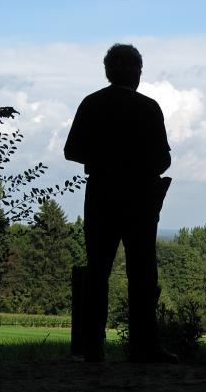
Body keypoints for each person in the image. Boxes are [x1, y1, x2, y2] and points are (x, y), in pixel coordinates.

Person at [64, 43, 177, 363]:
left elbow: (71, 151)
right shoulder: (149, 108)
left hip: (100, 194)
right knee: (142, 272)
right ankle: (144, 346)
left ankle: (92, 347)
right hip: (141, 198)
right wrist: (139, 168)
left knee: (98, 271)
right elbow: (163, 159)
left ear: (108, 71)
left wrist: (105, 160)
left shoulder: (91, 104)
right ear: (138, 72)